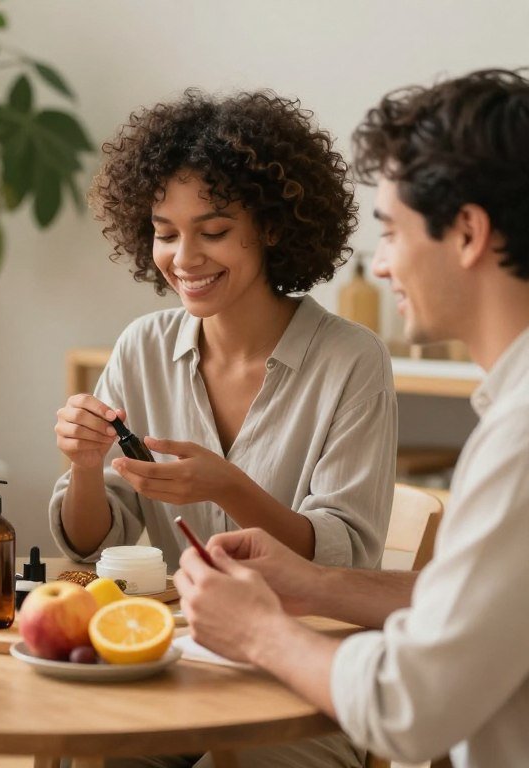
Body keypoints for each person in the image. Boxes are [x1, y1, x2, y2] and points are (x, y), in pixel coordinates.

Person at [176, 68, 529, 768]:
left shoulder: (520, 441)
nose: (385, 266)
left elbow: (406, 709)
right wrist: (314, 584)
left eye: (392, 233)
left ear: (466, 234)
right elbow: (481, 607)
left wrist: (259, 633)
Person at [50, 89, 397, 579]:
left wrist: (227, 487)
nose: (185, 258)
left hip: (306, 640)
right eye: (166, 234)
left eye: (213, 233)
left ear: (272, 227)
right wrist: (85, 465)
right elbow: (90, 549)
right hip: (186, 639)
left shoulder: (351, 359)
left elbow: (347, 556)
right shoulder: (142, 348)